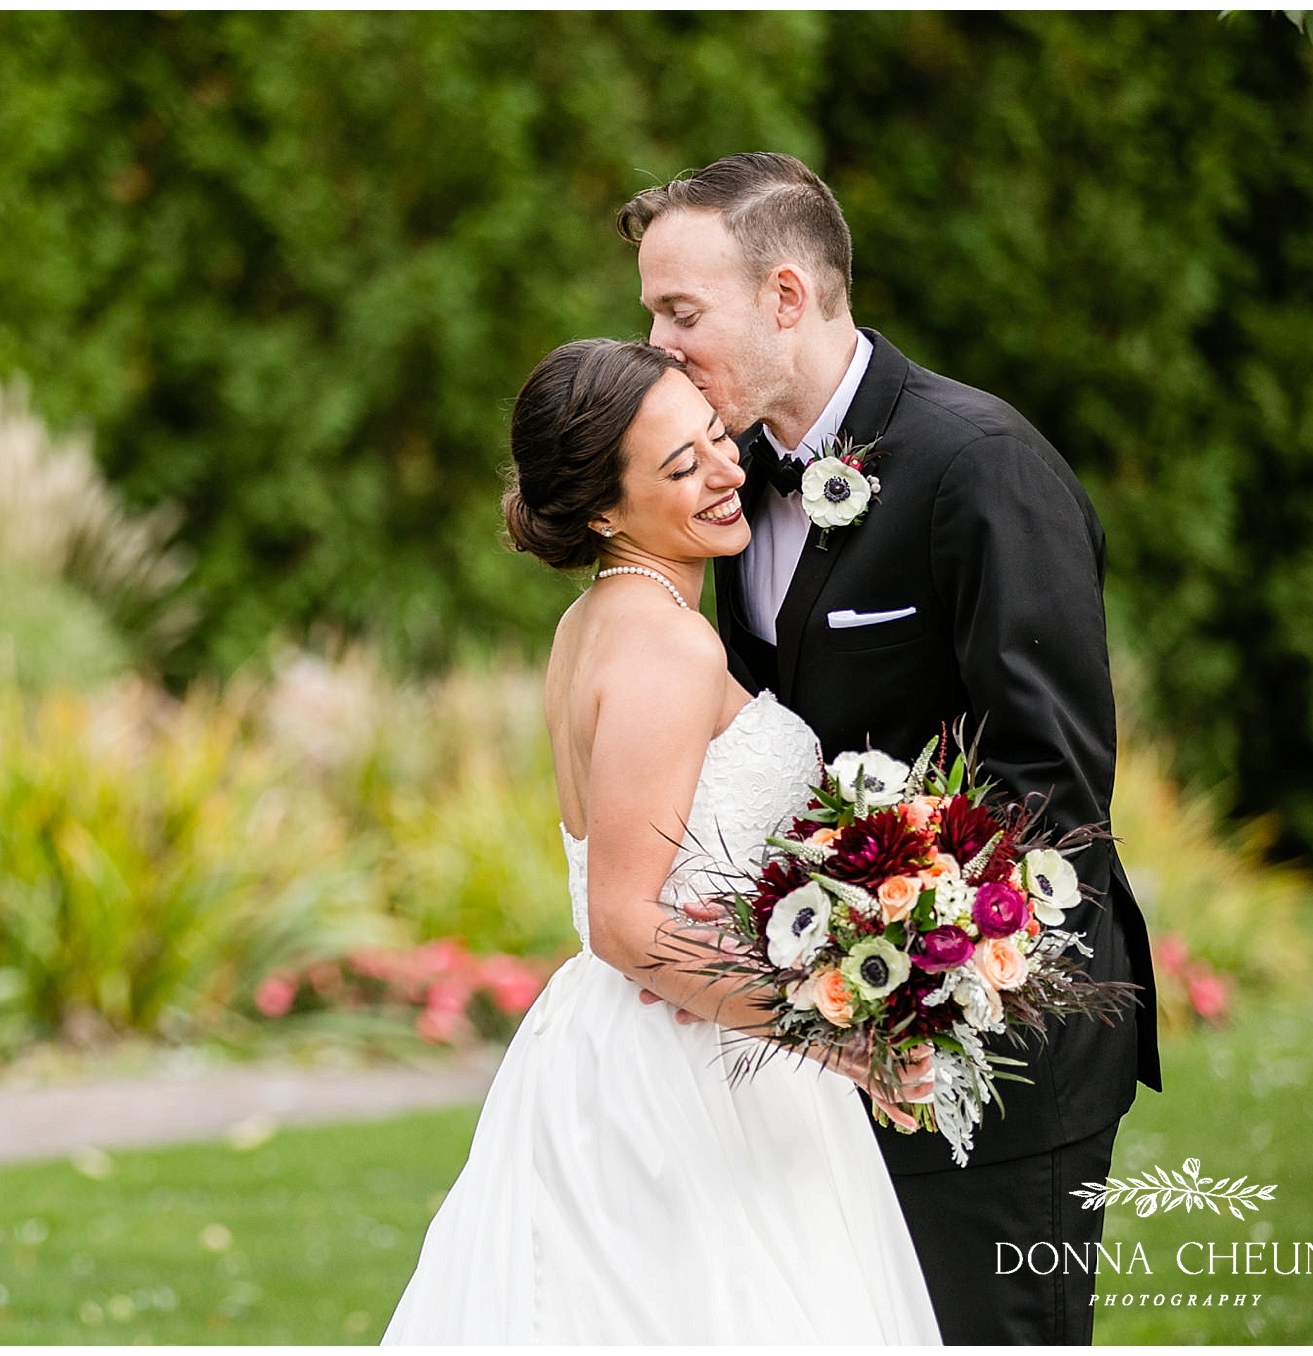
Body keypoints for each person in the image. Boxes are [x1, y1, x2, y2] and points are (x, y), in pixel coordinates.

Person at [618, 151, 1161, 1345]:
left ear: (784, 296)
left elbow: (1047, 784)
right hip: (823, 1058)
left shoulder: (980, 465)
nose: (656, 344)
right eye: (650, 312)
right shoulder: (731, 486)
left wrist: (906, 973)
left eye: (679, 312)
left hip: (997, 1053)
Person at [382, 338, 941, 1345]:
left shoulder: (593, 622)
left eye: (717, 438)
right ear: (604, 510)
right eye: (683, 467)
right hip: (683, 1071)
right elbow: (623, 920)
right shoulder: (668, 645)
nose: (728, 472)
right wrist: (842, 1038)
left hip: (635, 1037)